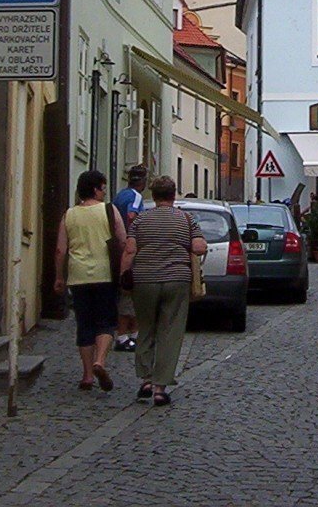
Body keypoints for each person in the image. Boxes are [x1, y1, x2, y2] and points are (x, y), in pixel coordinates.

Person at [121, 175, 206, 407]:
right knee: (170, 331)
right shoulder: (186, 219)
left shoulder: (140, 221)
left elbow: (129, 251)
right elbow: (199, 247)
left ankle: (146, 380)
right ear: (174, 194)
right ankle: (160, 388)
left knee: (146, 328)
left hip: (145, 280)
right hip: (176, 280)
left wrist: (124, 277)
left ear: (154, 196)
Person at [53, 170, 126, 392]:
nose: (104, 192)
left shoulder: (69, 215)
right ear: (95, 189)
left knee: (84, 324)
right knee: (106, 321)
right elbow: (123, 241)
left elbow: (60, 250)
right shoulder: (109, 210)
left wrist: (59, 277)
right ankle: (100, 361)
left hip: (78, 276)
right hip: (105, 274)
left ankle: (86, 376)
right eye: (103, 188)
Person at [112, 164, 148, 352]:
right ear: (143, 182)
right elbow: (132, 215)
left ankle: (133, 334)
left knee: (127, 291)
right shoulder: (136, 196)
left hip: (119, 248)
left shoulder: (120, 195)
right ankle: (124, 335)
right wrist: (134, 236)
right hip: (130, 248)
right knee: (130, 292)